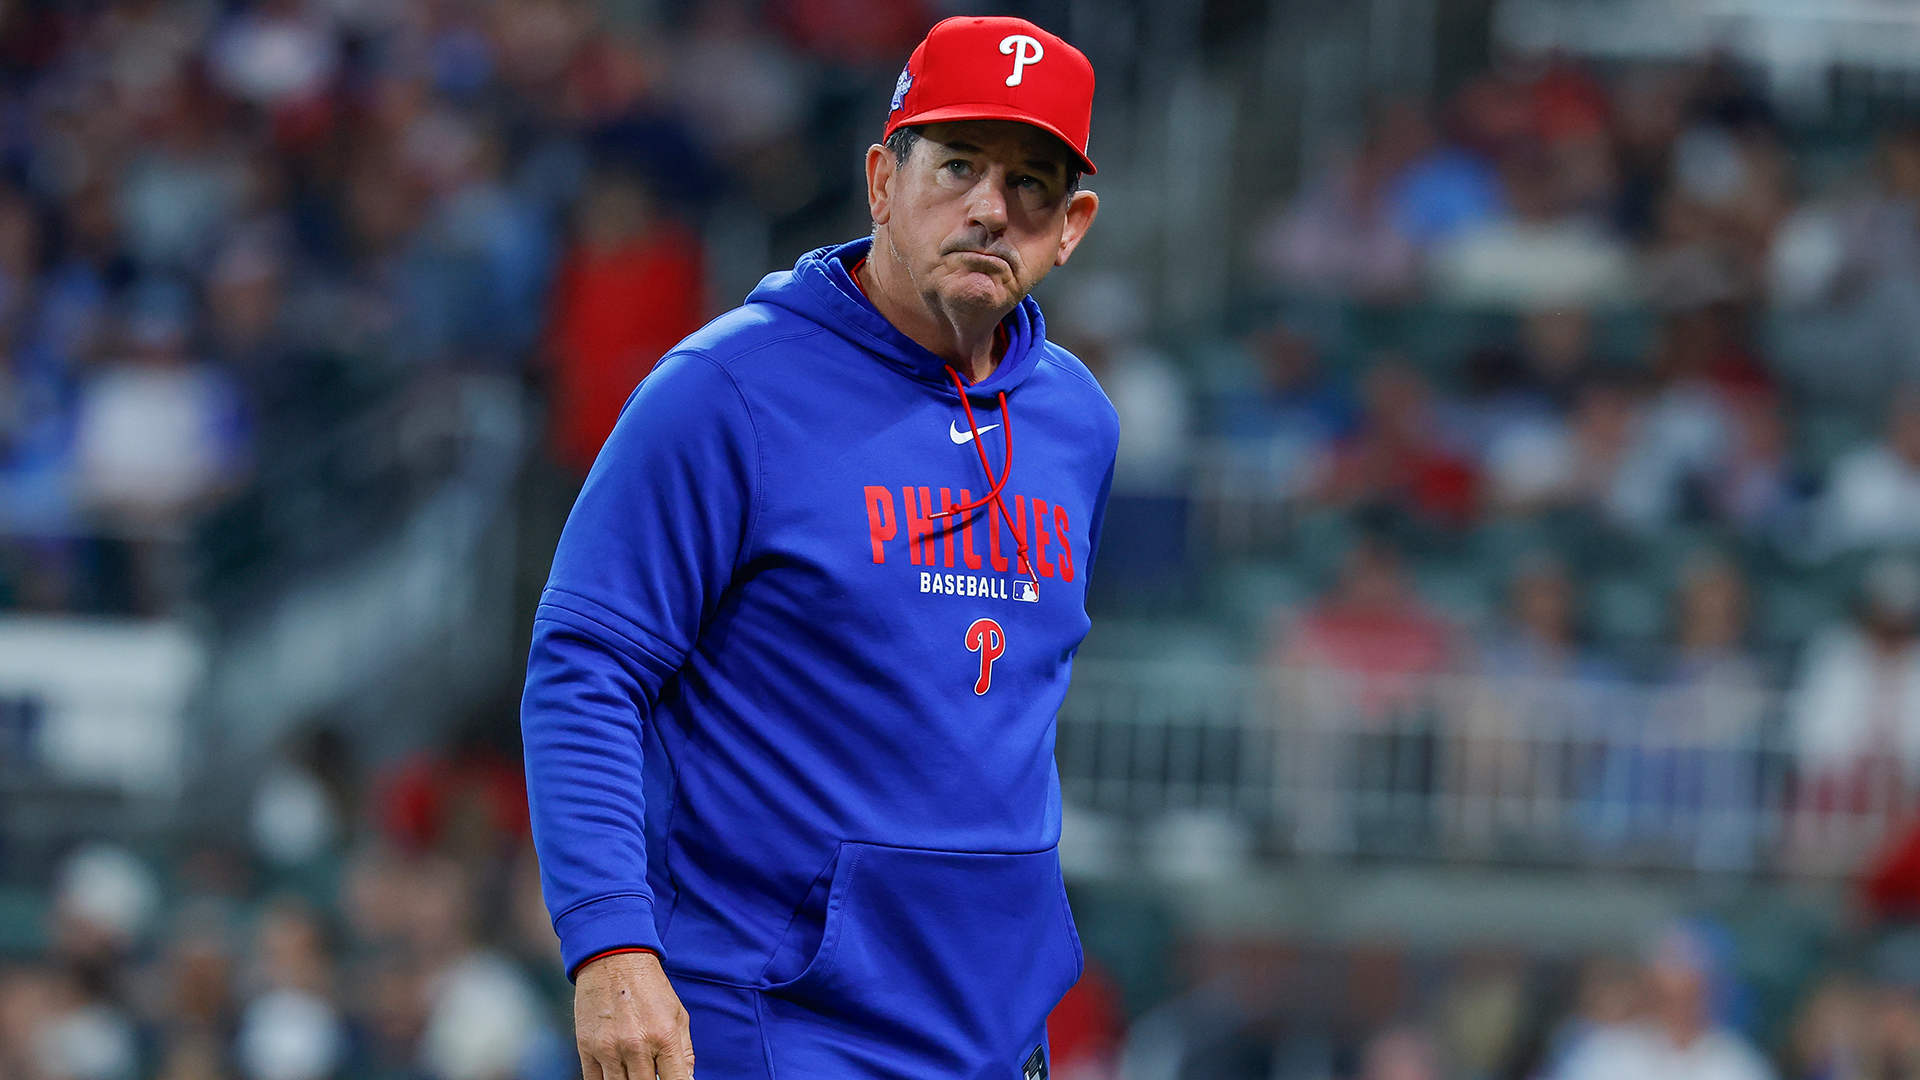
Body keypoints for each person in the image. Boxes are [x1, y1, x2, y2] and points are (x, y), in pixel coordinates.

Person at [520, 16, 1111, 1080]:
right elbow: (586, 668)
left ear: (1070, 227)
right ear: (882, 180)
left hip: (988, 1032)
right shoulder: (725, 392)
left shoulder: (1078, 425)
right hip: (772, 1019)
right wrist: (610, 945)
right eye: (958, 165)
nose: (990, 207)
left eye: (1031, 182)